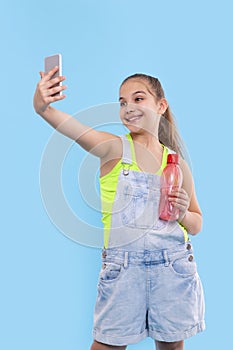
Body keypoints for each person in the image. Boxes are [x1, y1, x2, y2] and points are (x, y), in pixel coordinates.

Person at [33, 67, 205, 350]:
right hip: (124, 271)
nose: (128, 108)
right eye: (122, 102)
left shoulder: (177, 163)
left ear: (161, 106)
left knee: (172, 346)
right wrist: (42, 106)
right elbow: (70, 128)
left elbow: (197, 224)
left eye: (138, 99)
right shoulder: (112, 148)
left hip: (173, 269)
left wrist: (183, 213)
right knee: (107, 345)